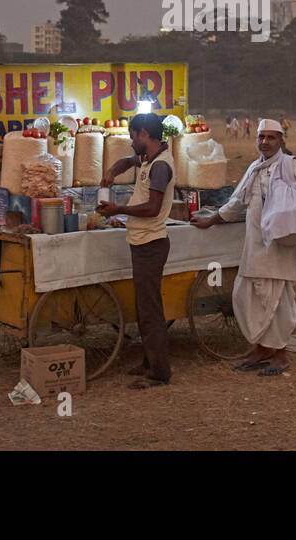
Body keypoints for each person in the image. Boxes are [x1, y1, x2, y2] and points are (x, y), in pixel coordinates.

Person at [190, 118, 296, 377]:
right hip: (256, 246)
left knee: (279, 301)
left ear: (281, 141)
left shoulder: (290, 167)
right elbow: (236, 202)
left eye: (271, 137)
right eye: (261, 137)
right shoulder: (254, 168)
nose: (265, 142)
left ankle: (280, 355)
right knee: (245, 295)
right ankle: (261, 349)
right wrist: (210, 220)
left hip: (282, 247)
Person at [97, 112, 178, 389]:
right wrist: (111, 173)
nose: (132, 142)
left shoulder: (160, 167)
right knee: (144, 308)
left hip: (151, 245)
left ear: (144, 134)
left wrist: (119, 209)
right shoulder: (148, 158)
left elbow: (153, 208)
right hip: (142, 241)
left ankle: (159, 373)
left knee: (150, 311)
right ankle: (149, 362)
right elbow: (126, 161)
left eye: (133, 136)